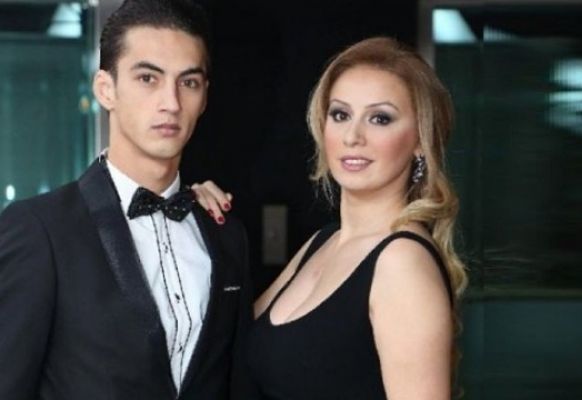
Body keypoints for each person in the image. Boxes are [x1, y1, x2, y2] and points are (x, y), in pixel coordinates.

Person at [0, 1, 252, 399]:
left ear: (204, 97)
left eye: (188, 82)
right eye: (148, 78)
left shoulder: (226, 236)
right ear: (106, 89)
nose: (171, 102)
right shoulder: (39, 230)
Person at [195, 36, 468, 399]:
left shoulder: (401, 262)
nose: (353, 136)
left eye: (380, 118)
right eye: (340, 114)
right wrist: (194, 222)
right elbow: (228, 339)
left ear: (420, 140)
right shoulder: (325, 241)